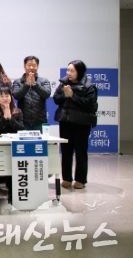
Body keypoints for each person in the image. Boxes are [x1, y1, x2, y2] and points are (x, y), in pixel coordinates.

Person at [53, 60, 98, 190]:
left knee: (80, 152)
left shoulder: (89, 86)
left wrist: (73, 96)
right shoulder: (63, 83)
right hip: (66, 122)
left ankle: (80, 180)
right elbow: (56, 99)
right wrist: (65, 95)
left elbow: (90, 105)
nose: (69, 73)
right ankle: (66, 178)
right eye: (68, 70)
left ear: (80, 71)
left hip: (81, 124)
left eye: (72, 70)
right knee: (66, 152)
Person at [11, 56, 52, 131]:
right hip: (23, 121)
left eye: (34, 65)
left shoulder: (44, 81)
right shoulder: (17, 82)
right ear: (24, 66)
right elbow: (16, 96)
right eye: (29, 65)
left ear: (37, 66)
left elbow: (47, 94)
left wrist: (35, 85)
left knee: (41, 139)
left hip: (40, 121)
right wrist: (26, 85)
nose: (31, 67)